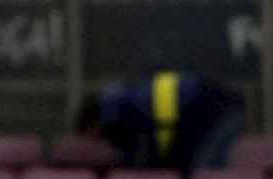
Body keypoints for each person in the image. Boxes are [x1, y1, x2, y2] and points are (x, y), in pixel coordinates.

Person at [78, 71, 246, 171]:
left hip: (217, 108)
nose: (93, 142)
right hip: (210, 106)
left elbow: (149, 141)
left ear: (93, 124)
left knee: (205, 171)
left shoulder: (119, 108)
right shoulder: (128, 98)